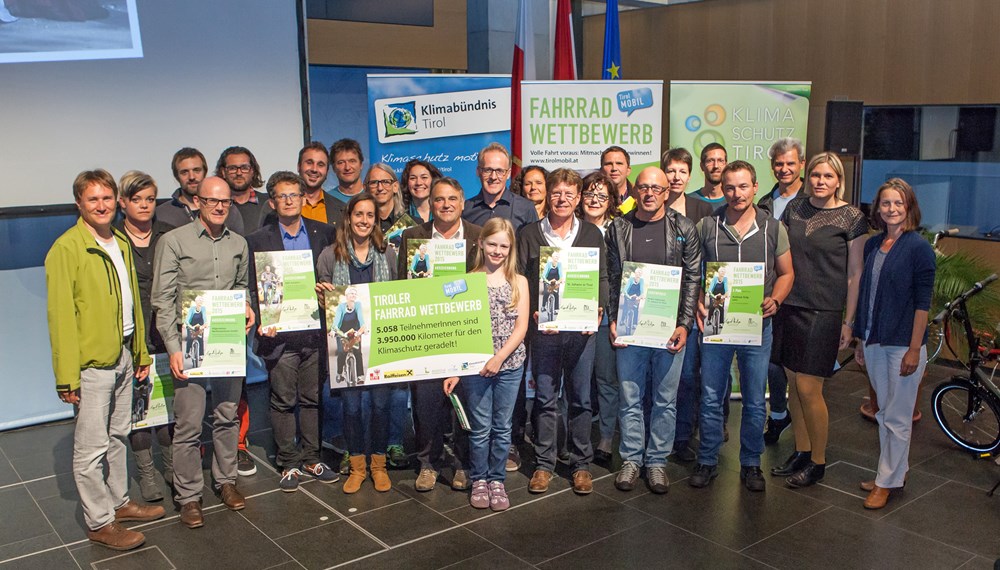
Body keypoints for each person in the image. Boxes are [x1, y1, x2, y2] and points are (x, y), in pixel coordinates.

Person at [46, 169, 164, 550]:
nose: (101, 205)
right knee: (90, 448)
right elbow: (61, 318)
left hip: (126, 354)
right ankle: (99, 522)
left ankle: (118, 503)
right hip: (91, 365)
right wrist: (67, 378)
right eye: (92, 199)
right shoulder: (66, 249)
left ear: (117, 202)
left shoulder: (120, 242)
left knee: (118, 436)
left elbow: (133, 305)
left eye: (107, 198)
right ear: (79, 203)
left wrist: (141, 351)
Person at [152, 176, 255, 529]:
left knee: (227, 415)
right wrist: (173, 348)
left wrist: (248, 307)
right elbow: (162, 301)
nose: (219, 207)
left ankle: (226, 482)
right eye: (212, 201)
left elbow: (242, 288)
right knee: (189, 424)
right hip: (189, 344)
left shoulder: (239, 244)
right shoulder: (173, 241)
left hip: (226, 341)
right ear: (197, 202)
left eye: (225, 201)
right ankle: (189, 497)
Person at [689, 160, 794, 493]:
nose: (736, 193)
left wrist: (776, 299)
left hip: (756, 326)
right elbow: (693, 271)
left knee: (752, 400)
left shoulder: (773, 228)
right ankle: (707, 459)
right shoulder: (707, 225)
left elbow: (787, 273)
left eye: (743, 186)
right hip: (716, 324)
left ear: (755, 186)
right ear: (723, 187)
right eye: (730, 187)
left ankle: (751, 463)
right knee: (709, 397)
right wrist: (698, 303)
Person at [771, 152, 868, 488]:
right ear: (807, 176)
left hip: (824, 312)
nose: (820, 181)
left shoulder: (852, 218)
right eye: (815, 175)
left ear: (838, 180)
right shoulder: (794, 210)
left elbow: (855, 274)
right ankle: (801, 450)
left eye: (828, 176)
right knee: (793, 386)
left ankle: (818, 461)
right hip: (789, 306)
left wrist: (849, 320)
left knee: (809, 388)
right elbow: (779, 259)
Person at [606, 167, 702, 494]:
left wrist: (684, 323)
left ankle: (657, 461)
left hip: (669, 329)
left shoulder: (684, 227)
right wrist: (614, 318)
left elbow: (692, 279)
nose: (649, 193)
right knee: (630, 397)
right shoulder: (618, 228)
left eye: (656, 188)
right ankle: (632, 459)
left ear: (666, 191)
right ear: (635, 190)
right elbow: (612, 276)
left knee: (665, 398)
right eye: (643, 187)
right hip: (630, 327)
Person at [517, 168, 609, 495]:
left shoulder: (592, 234)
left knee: (581, 399)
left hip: (582, 333)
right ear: (547, 194)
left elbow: (601, 276)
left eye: (570, 194)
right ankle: (544, 464)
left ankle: (581, 465)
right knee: (545, 398)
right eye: (557, 192)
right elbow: (523, 282)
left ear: (579, 198)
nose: (562, 199)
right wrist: (533, 311)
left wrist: (599, 305)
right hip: (545, 332)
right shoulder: (529, 234)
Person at [246, 171, 339, 492]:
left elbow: (334, 275)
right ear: (272, 202)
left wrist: (330, 290)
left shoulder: (325, 233)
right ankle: (289, 462)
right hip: (279, 336)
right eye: (282, 196)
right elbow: (252, 286)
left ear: (303, 199)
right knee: (283, 399)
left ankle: (313, 457)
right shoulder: (257, 240)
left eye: (294, 195)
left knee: (312, 398)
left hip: (314, 332)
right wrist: (261, 317)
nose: (289, 201)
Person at [852, 178, 935, 509]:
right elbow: (866, 296)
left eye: (898, 203)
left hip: (903, 345)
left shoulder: (919, 248)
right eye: (885, 203)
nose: (891, 209)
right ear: (877, 208)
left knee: (897, 417)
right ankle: (893, 472)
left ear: (909, 207)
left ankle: (885, 483)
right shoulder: (873, 245)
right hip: (873, 340)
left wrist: (915, 349)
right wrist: (860, 338)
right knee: (885, 413)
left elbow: (922, 304)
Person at [398, 177, 483, 492]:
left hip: (465, 332)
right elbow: (401, 285)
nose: (446, 205)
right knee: (427, 402)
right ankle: (428, 463)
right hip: (426, 332)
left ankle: (462, 463)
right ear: (430, 204)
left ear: (462, 202)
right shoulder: (412, 237)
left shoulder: (477, 236)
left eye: (452, 199)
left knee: (463, 402)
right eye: (439, 200)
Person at [444, 218, 529, 511]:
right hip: (475, 368)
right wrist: (455, 369)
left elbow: (521, 328)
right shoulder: (467, 281)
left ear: (511, 248)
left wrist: (499, 358)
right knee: (480, 428)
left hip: (510, 364)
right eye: (492, 244)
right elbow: (457, 329)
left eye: (503, 246)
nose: (497, 250)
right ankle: (479, 479)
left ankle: (497, 481)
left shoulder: (519, 282)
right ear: (480, 243)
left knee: (503, 427)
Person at [316, 193, 398, 494]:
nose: (364, 221)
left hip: (381, 342)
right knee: (351, 408)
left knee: (380, 405)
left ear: (376, 221)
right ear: (348, 218)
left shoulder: (387, 254)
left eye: (370, 216)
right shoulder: (329, 256)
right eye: (359, 215)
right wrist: (322, 295)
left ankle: (378, 466)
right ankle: (357, 467)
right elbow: (327, 307)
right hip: (345, 345)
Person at [114, 171, 174, 503]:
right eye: (136, 199)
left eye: (150, 199)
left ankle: (170, 466)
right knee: (138, 408)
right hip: (133, 336)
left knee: (167, 405)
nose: (144, 205)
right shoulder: (113, 238)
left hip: (166, 332)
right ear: (123, 203)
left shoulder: (168, 234)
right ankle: (147, 474)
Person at [659, 148, 714, 462]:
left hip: (690, 303)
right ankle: (659, 431)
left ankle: (683, 434)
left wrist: (701, 297)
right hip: (657, 302)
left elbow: (709, 257)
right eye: (671, 170)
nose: (676, 176)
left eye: (682, 171)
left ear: (690, 175)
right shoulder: (648, 202)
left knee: (689, 373)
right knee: (659, 373)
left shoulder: (702, 208)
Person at [759, 138, 807, 445]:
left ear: (802, 163)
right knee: (773, 362)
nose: (784, 169)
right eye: (778, 163)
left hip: (804, 295)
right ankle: (778, 415)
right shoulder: (764, 202)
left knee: (802, 370)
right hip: (769, 293)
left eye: (790, 163)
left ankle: (806, 437)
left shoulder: (814, 201)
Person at [579, 171, 620, 464]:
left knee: (606, 380)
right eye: (590, 194)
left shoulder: (619, 231)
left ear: (612, 201)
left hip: (607, 316)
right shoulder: (571, 229)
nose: (594, 200)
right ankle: (573, 439)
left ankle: (606, 438)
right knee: (576, 383)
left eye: (601, 195)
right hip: (575, 315)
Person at [156, 147, 245, 234]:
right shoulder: (161, 214)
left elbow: (238, 245)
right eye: (184, 172)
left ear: (205, 172)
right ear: (176, 176)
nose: (191, 177)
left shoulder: (227, 210)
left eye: (196, 170)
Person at [462, 142, 539, 231]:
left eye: (499, 171)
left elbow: (533, 243)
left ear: (508, 173)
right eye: (488, 170)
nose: (493, 177)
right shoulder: (465, 209)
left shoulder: (526, 208)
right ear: (478, 171)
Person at [216, 145, 270, 231]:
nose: (239, 173)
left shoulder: (269, 203)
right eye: (232, 168)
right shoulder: (216, 206)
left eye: (244, 168)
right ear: (223, 172)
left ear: (252, 171)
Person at [297, 141, 347, 228]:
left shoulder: (342, 210)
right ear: (298, 166)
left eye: (320, 165)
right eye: (309, 162)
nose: (314, 169)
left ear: (327, 172)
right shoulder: (281, 204)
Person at [365, 163, 405, 233]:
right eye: (374, 182)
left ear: (395, 187)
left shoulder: (412, 224)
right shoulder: (361, 225)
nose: (380, 188)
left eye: (386, 182)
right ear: (366, 188)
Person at [401, 159, 442, 224]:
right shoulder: (398, 214)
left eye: (424, 177)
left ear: (434, 180)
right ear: (407, 182)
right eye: (413, 178)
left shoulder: (444, 210)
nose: (418, 183)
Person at [327, 138, 366, 206]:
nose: (347, 167)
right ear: (333, 168)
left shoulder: (374, 196)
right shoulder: (327, 200)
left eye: (352, 161)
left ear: (361, 165)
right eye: (341, 162)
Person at [600, 145, 634, 211]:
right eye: (609, 164)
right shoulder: (592, 200)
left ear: (628, 170)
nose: (614, 168)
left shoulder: (638, 197)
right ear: (601, 170)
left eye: (619, 163)